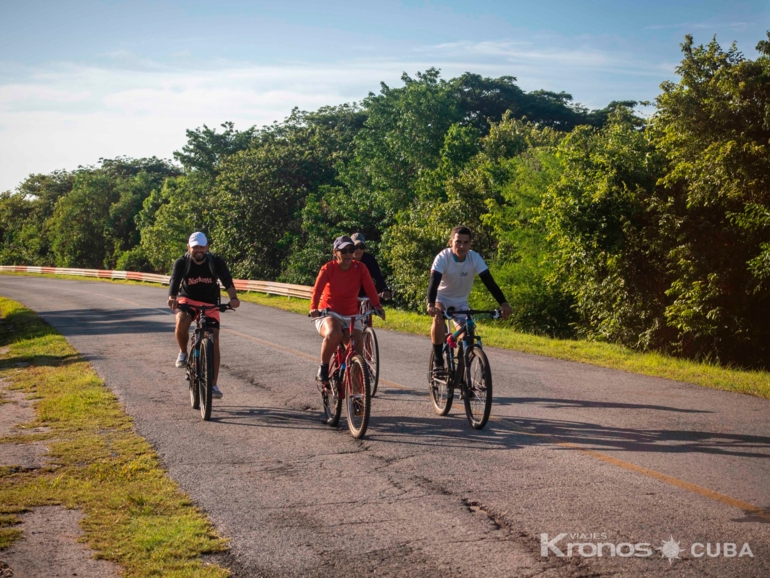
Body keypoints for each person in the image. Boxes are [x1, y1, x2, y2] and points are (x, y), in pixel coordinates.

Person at [427, 226, 512, 370]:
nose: (462, 246)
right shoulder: (443, 257)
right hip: (442, 298)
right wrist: (431, 304)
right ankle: (438, 361)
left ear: (470, 244)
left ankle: (461, 372)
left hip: (461, 302)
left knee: (468, 336)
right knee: (438, 318)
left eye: (466, 243)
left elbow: (489, 282)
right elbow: (434, 282)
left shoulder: (474, 258)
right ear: (450, 242)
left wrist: (503, 303)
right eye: (458, 242)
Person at [167, 232, 240, 398]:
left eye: (201, 247)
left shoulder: (216, 262)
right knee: (181, 320)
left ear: (207, 247)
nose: (198, 250)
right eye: (195, 247)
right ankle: (183, 353)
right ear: (189, 248)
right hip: (188, 300)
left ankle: (213, 385)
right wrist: (172, 298)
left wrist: (233, 298)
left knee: (213, 340)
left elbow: (227, 280)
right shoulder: (182, 262)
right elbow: (175, 280)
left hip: (210, 302)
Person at [310, 236, 385, 383]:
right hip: (328, 313)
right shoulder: (328, 268)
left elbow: (370, 288)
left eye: (351, 250)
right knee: (334, 333)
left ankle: (357, 398)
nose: (348, 254)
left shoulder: (360, 268)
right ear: (335, 252)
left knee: (357, 350)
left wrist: (378, 306)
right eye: (344, 251)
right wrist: (313, 308)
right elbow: (317, 291)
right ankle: (323, 367)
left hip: (351, 315)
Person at [351, 232, 392, 300]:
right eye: (356, 247)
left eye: (361, 247)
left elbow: (377, 275)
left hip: (365, 293)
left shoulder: (369, 259)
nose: (358, 250)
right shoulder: (345, 259)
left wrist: (384, 288)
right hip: (348, 293)